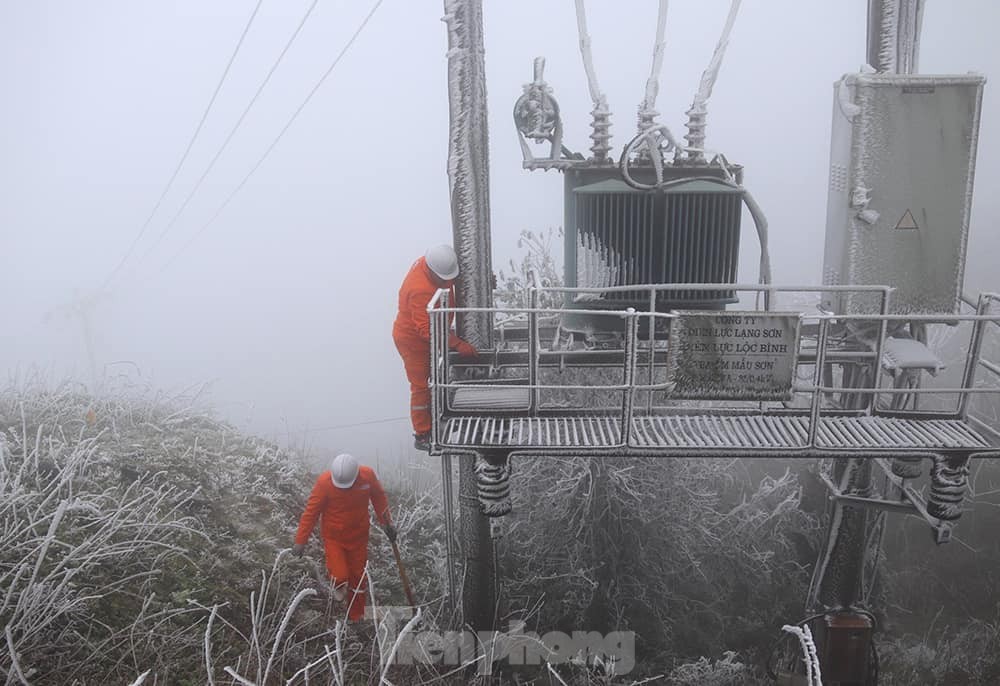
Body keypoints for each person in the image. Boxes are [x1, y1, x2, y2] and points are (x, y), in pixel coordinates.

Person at [393, 245, 478, 451]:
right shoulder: (419, 289)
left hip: (434, 332)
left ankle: (437, 412)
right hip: (412, 340)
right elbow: (426, 330)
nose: (448, 282)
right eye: (444, 279)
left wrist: (481, 283)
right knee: (422, 385)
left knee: (435, 378)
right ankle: (422, 433)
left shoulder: (434, 264)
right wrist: (456, 343)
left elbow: (450, 280)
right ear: (432, 272)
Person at [292, 453, 396, 622]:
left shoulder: (367, 476)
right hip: (334, 538)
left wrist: (386, 523)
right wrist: (300, 541)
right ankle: (338, 589)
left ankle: (356, 616)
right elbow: (311, 513)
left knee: (357, 578)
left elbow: (379, 497)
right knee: (340, 575)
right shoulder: (324, 483)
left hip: (358, 537)